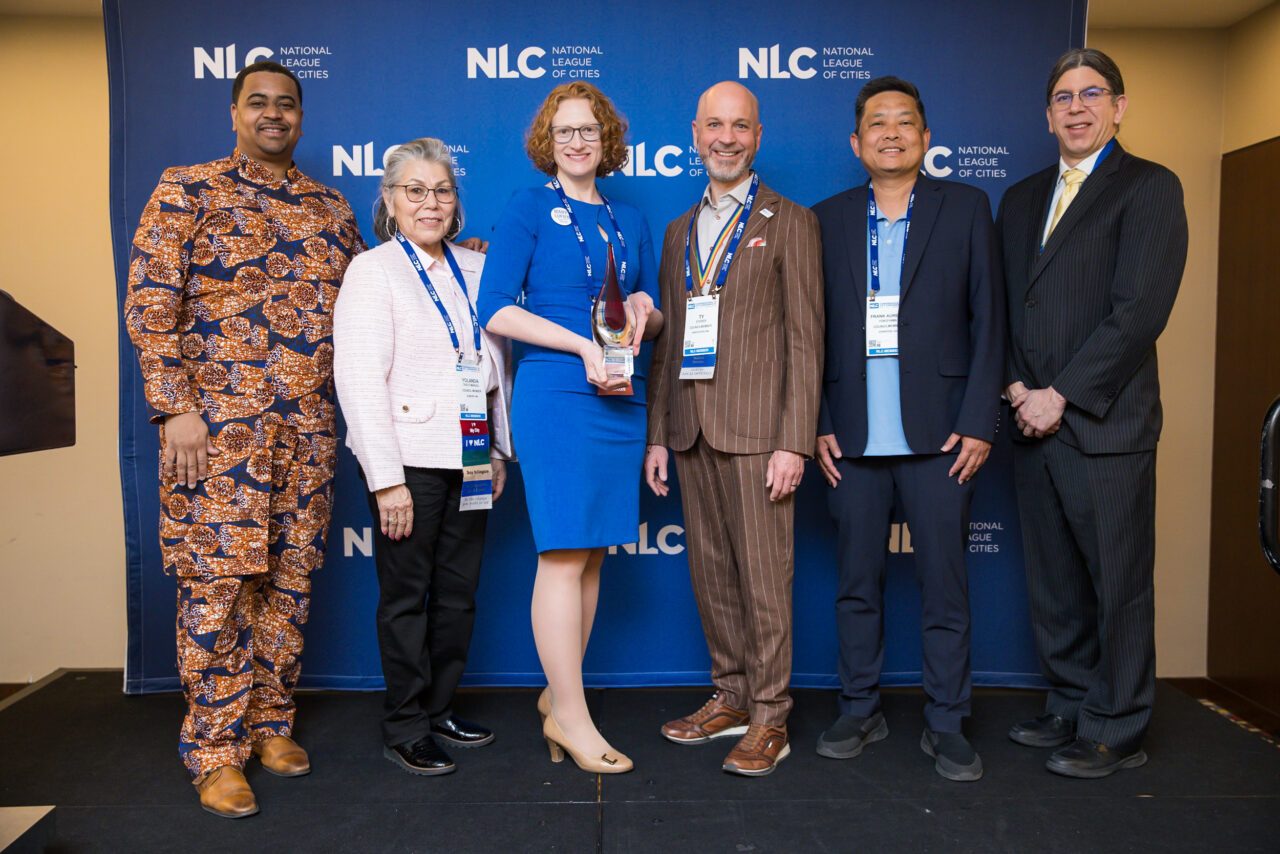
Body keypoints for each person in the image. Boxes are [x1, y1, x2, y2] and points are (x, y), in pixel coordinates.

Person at [123, 60, 364, 817]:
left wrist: (458, 263)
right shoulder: (186, 189)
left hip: (308, 433)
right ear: (234, 113)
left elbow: (373, 300)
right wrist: (175, 409)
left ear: (301, 117)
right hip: (217, 435)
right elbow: (149, 305)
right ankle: (215, 752)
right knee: (218, 589)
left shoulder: (332, 208)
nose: (273, 114)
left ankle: (270, 724)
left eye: (286, 104)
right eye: (257, 102)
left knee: (289, 586)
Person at [998, 48, 1187, 778]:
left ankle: (1117, 725)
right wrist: (1018, 389)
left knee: (1118, 584)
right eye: (1063, 97)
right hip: (1029, 420)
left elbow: (1139, 311)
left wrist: (1061, 395)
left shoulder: (1149, 187)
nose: (1076, 108)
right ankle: (1072, 702)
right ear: (1047, 114)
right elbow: (1005, 307)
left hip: (1106, 426)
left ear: (1119, 107)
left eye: (1092, 94)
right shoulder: (1021, 199)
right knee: (1056, 584)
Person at [811, 77, 1006, 782]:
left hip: (943, 438)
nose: (890, 133)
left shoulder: (966, 207)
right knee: (855, 586)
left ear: (926, 138)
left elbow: (991, 321)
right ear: (855, 142)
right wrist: (817, 423)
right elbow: (806, 334)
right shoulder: (826, 219)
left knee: (945, 588)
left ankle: (947, 721)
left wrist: (979, 421)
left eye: (904, 122)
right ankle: (859, 708)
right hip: (852, 439)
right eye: (877, 123)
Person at [477, 82, 663, 775]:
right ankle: (572, 715)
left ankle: (560, 699)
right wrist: (581, 346)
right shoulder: (528, 207)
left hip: (621, 393)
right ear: (547, 142)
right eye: (564, 132)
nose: (577, 142)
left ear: (606, 138)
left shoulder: (628, 217)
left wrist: (643, 308)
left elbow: (653, 317)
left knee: (591, 554)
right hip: (557, 391)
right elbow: (495, 308)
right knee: (561, 553)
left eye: (589, 130)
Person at [645, 81, 823, 777]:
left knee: (765, 582)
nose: (726, 138)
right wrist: (658, 433)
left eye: (740, 126)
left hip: (760, 435)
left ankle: (771, 715)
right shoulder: (677, 231)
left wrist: (794, 440)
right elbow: (667, 344)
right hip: (691, 429)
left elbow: (806, 340)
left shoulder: (791, 221)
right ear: (695, 134)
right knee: (712, 575)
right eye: (714, 125)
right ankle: (731, 695)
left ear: (757, 136)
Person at [334, 138, 513, 777]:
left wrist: (497, 447)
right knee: (407, 596)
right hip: (407, 460)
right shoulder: (372, 271)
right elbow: (359, 379)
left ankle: (440, 709)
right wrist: (385, 481)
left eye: (441, 190)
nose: (430, 203)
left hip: (471, 453)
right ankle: (406, 724)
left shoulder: (479, 267)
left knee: (458, 595)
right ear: (390, 200)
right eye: (415, 191)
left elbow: (493, 366)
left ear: (455, 201)